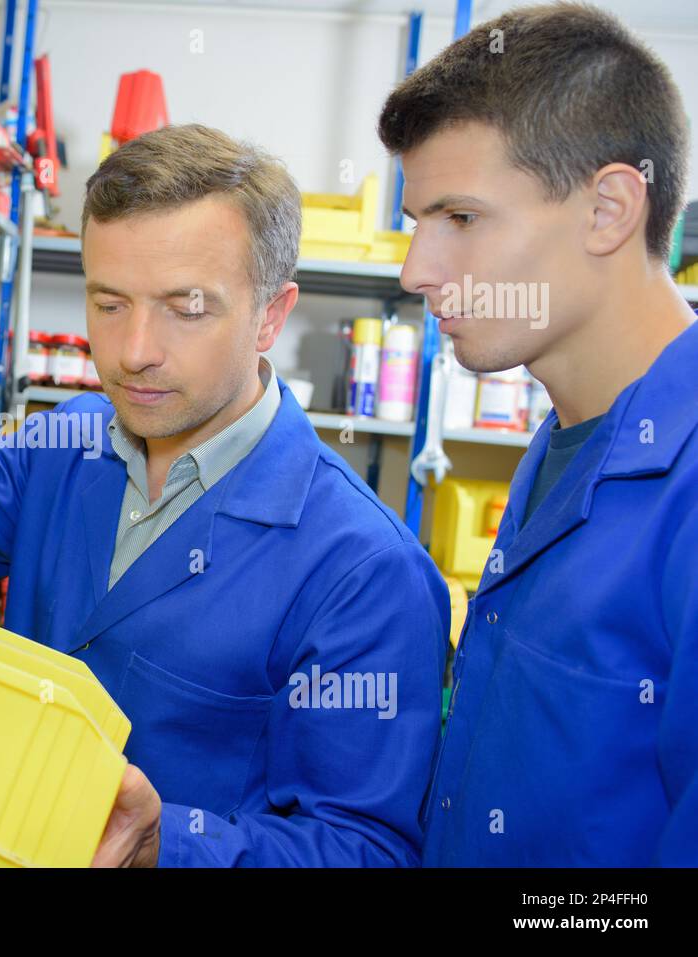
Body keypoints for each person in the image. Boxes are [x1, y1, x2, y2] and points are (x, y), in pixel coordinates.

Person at [0, 123, 448, 866]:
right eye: (108, 304)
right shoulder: (58, 445)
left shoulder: (365, 568)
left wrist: (166, 845)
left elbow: (362, 848)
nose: (134, 351)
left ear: (271, 313)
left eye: (186, 307)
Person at [379, 2, 697, 865]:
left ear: (608, 209)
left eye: (463, 219)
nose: (416, 271)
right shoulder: (565, 443)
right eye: (418, 223)